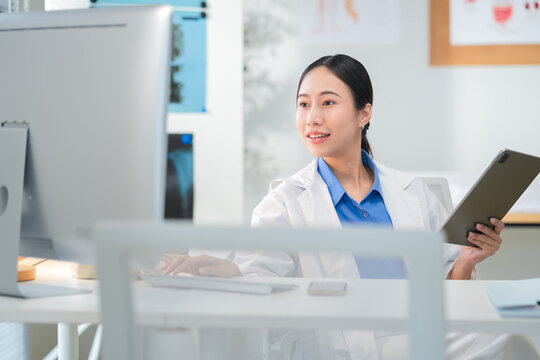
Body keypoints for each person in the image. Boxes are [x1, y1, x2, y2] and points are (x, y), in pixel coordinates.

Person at [162, 54, 539, 359]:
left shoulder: (412, 192)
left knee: (511, 338)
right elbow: (263, 283)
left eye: (328, 103)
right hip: (342, 345)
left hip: (423, 335)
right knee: (507, 343)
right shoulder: (285, 203)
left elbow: (445, 293)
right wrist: (231, 271)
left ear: (364, 113)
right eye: (304, 104)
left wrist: (468, 259)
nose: (313, 118)